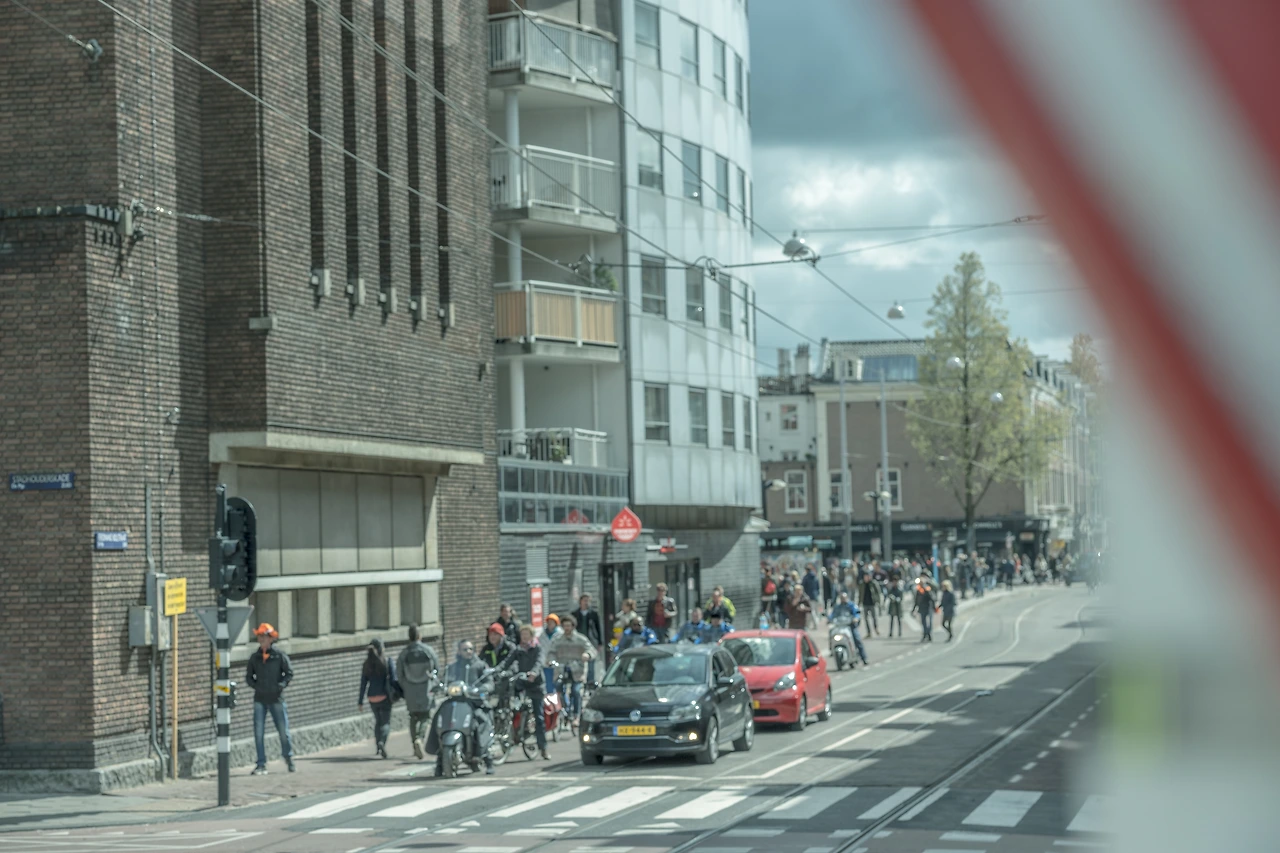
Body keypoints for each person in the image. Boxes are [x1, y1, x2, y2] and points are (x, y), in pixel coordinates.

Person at [431, 639, 495, 776]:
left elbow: (489, 681)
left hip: (474, 702)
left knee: (480, 721)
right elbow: (445, 680)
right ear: (459, 651)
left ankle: (488, 759)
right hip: (455, 701)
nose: (468, 652)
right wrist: (439, 686)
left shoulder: (480, 665)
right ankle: (440, 760)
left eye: (470, 649)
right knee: (438, 718)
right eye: (465, 649)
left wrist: (483, 688)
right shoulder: (453, 667)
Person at [247, 623, 295, 775]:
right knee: (258, 733)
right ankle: (261, 763)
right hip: (260, 698)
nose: (261, 639)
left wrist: (280, 686)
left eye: (264, 636)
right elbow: (249, 677)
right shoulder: (255, 657)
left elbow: (289, 673)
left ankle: (288, 757)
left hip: (276, 699)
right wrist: (256, 686)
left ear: (271, 638)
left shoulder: (279, 655)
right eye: (259, 636)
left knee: (283, 731)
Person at [396, 624, 441, 760]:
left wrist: (405, 686)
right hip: (426, 688)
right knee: (426, 716)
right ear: (419, 636)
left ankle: (414, 742)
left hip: (410, 688)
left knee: (413, 716)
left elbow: (399, 674)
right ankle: (420, 738)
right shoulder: (428, 651)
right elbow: (436, 669)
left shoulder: (404, 653)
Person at [547, 615, 596, 722]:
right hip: (561, 670)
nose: (567, 628)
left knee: (576, 691)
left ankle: (576, 715)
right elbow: (551, 652)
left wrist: (587, 655)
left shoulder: (581, 639)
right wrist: (551, 660)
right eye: (565, 626)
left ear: (573, 626)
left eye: (569, 626)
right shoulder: (557, 640)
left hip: (577, 671)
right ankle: (565, 709)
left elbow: (591, 650)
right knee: (558, 687)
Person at [513, 625, 550, 760]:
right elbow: (508, 662)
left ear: (532, 636)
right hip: (522, 684)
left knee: (538, 717)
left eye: (526, 635)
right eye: (522, 635)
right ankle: (514, 734)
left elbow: (539, 662)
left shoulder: (537, 648)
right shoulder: (518, 650)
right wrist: (498, 670)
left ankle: (543, 747)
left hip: (536, 686)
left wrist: (534, 673)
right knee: (513, 708)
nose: (524, 637)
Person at [358, 637, 399, 759]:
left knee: (378, 721)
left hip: (372, 698)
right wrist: (399, 693)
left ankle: (377, 747)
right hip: (384, 696)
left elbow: (363, 684)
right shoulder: (386, 661)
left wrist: (360, 701)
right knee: (385, 722)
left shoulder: (366, 664)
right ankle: (382, 742)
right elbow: (394, 679)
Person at [828, 592, 869, 666]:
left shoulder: (851, 605)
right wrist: (829, 619)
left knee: (857, 639)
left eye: (844, 598)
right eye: (841, 598)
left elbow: (856, 613)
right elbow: (833, 614)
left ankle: (864, 658)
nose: (843, 600)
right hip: (840, 626)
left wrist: (856, 618)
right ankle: (831, 648)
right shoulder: (838, 607)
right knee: (831, 633)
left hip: (850, 626)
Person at [859, 570, 882, 637]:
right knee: (866, 619)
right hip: (865, 603)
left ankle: (876, 628)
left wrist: (878, 602)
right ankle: (868, 632)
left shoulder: (873, 583)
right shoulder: (862, 584)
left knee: (874, 617)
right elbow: (860, 594)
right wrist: (859, 602)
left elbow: (878, 593)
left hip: (872, 603)